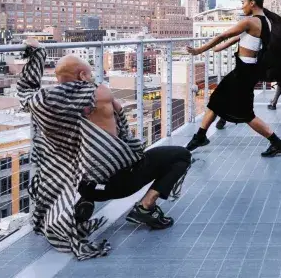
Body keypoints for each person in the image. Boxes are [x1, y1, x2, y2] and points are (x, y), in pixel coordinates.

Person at [17, 39, 191, 260]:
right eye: (88, 73)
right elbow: (120, 117)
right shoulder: (100, 93)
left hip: (80, 185)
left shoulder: (46, 101)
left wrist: (38, 53)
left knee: (86, 163)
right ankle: (145, 207)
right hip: (120, 182)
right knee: (181, 156)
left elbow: (24, 92)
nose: (92, 76)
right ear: (82, 76)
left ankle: (84, 201)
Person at [185, 0, 281, 157]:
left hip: (244, 72)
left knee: (246, 114)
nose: (242, 6)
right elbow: (240, 38)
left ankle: (277, 142)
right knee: (216, 100)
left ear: (252, 3)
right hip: (247, 69)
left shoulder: (250, 21)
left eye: (243, 3)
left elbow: (222, 35)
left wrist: (199, 50)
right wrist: (222, 48)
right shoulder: (265, 21)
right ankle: (200, 136)